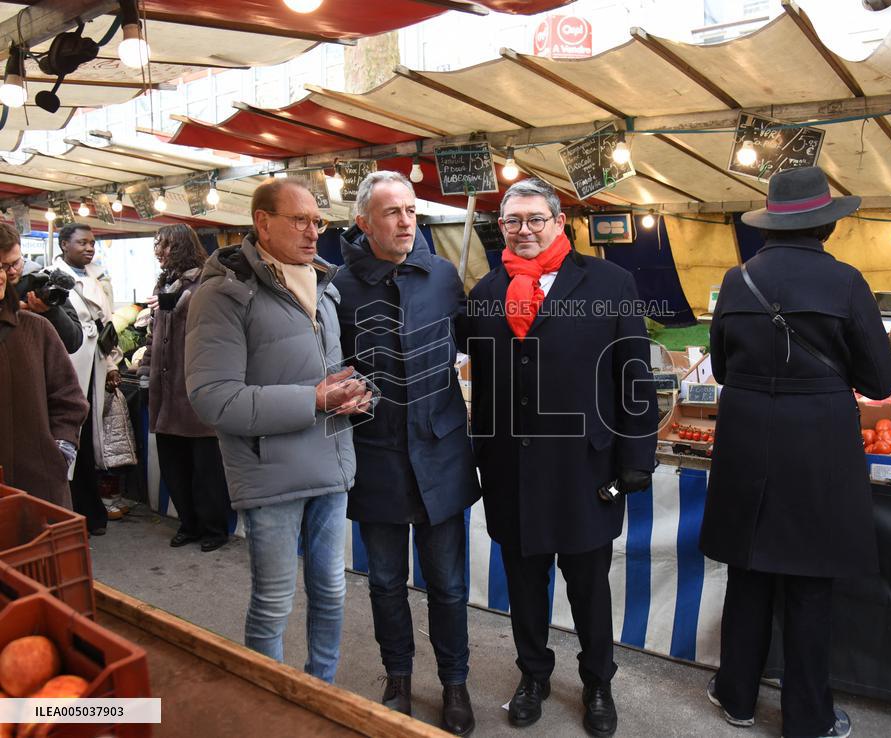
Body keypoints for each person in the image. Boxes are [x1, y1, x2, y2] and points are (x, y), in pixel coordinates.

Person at [699, 166, 891, 738]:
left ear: (770, 225)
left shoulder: (737, 281)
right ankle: (807, 717)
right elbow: (883, 381)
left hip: (745, 441)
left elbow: (718, 368)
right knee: (810, 583)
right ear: (825, 227)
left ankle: (735, 695)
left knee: (750, 569)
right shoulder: (846, 283)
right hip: (816, 446)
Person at [460, 178, 658, 737]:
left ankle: (598, 681)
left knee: (589, 586)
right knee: (523, 585)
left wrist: (635, 454)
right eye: (511, 221)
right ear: (500, 226)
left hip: (583, 468)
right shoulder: (484, 292)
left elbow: (633, 375)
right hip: (511, 468)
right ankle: (533, 674)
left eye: (534, 220)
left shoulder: (610, 283)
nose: (523, 230)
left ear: (558, 221)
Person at [185, 178, 372, 683]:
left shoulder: (323, 286)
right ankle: (266, 698)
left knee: (332, 591)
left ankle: (322, 691)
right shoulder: (223, 295)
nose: (314, 232)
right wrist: (314, 399)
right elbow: (212, 397)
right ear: (262, 223)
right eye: (301, 220)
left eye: (318, 221)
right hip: (269, 475)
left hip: (330, 463)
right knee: (273, 601)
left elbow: (322, 371)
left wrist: (348, 393)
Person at [335, 171, 480, 735]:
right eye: (391, 212)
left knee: (448, 584)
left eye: (411, 211)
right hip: (376, 459)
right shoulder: (340, 287)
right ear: (363, 222)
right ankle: (398, 677)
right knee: (386, 582)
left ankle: (455, 682)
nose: (404, 221)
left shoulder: (444, 276)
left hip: (441, 455)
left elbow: (474, 346)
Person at [138, 224, 232, 552]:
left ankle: (214, 529)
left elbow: (220, 331)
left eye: (163, 245)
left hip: (195, 391)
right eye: (156, 245)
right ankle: (188, 524)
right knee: (174, 466)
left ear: (180, 246)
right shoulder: (163, 283)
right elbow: (153, 334)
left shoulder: (206, 281)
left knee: (206, 469)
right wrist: (147, 369)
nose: (158, 251)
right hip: (166, 393)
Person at [0, 224, 89, 508]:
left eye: (13, 263)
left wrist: (59, 453)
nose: (8, 273)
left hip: (38, 483)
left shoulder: (41, 294)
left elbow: (69, 399)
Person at [51, 223, 124, 535]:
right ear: (64, 244)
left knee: (90, 439)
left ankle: (91, 511)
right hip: (69, 366)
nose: (89, 248)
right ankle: (74, 511)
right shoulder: (51, 278)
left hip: (94, 364)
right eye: (82, 242)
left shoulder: (97, 277)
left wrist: (110, 366)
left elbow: (106, 324)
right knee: (70, 437)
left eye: (93, 243)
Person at [0, 234, 82, 353]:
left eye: (16, 262)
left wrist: (50, 311)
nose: (12, 271)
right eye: (4, 266)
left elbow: (74, 341)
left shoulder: (42, 282)